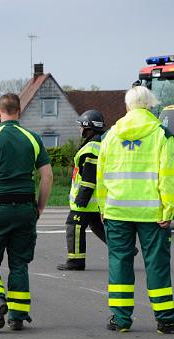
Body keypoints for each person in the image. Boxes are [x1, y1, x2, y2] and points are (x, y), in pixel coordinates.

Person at [96, 86, 174, 334]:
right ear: (150, 106)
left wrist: (103, 207)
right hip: (152, 213)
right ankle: (165, 318)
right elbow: (169, 176)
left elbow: (102, 176)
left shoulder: (110, 135)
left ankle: (120, 319)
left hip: (117, 211)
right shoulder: (161, 134)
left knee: (119, 262)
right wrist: (169, 208)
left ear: (127, 106)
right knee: (156, 264)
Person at [0, 93, 53, 331]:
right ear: (19, 111)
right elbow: (47, 176)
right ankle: (17, 315)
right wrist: (39, 206)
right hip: (26, 208)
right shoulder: (33, 138)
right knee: (19, 262)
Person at [57, 110, 108, 271]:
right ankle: (124, 250)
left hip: (87, 201)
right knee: (97, 227)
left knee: (73, 224)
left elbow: (89, 179)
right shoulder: (98, 145)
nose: (80, 130)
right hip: (95, 201)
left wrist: (81, 200)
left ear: (88, 128)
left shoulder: (91, 149)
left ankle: (75, 261)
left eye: (81, 127)